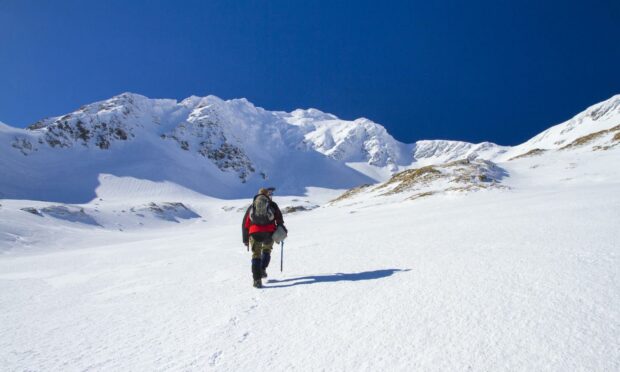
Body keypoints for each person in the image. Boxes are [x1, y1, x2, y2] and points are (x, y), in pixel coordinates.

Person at [242, 187, 286, 288]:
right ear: (268, 195)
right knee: (266, 250)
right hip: (269, 232)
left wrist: (245, 239)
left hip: (254, 233)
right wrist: (282, 230)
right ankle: (262, 269)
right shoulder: (272, 204)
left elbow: (245, 223)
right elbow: (279, 220)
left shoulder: (252, 205)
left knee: (256, 255)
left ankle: (257, 280)